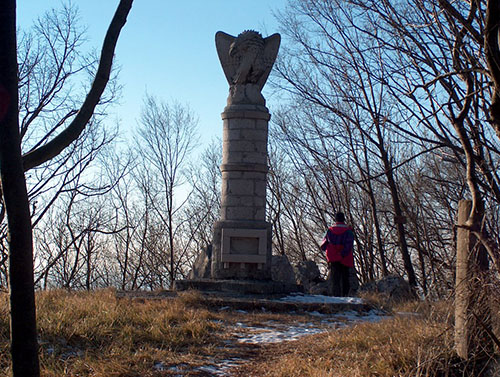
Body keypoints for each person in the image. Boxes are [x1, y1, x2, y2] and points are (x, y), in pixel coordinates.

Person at [320, 212, 354, 297]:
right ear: (343, 219)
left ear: (335, 219)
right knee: (345, 277)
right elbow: (349, 245)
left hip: (333, 257)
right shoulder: (349, 231)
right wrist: (342, 254)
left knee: (335, 278)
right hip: (345, 257)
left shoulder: (329, 230)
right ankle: (345, 296)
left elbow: (323, 245)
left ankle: (336, 296)